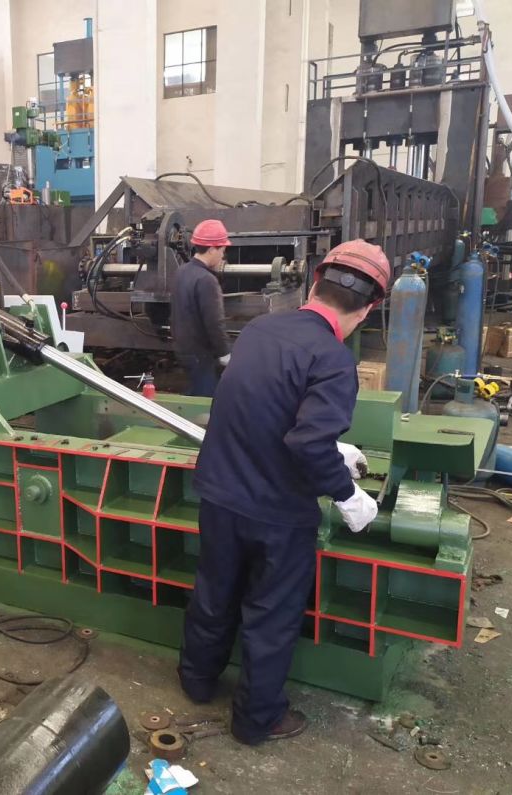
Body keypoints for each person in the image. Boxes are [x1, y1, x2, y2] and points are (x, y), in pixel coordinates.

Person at [179, 239, 391, 746]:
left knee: (214, 593)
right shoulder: (333, 360)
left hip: (220, 494)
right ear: (368, 309)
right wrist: (347, 494)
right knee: (270, 616)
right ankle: (257, 720)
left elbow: (258, 405)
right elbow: (307, 441)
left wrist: (331, 448)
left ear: (315, 284)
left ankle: (196, 681)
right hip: (276, 513)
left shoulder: (259, 329)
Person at [170, 219, 232, 397]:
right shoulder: (206, 280)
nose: (222, 256)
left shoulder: (181, 272)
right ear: (212, 249)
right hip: (201, 355)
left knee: (194, 393)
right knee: (205, 402)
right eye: (222, 250)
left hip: (184, 351)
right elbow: (214, 322)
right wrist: (225, 353)